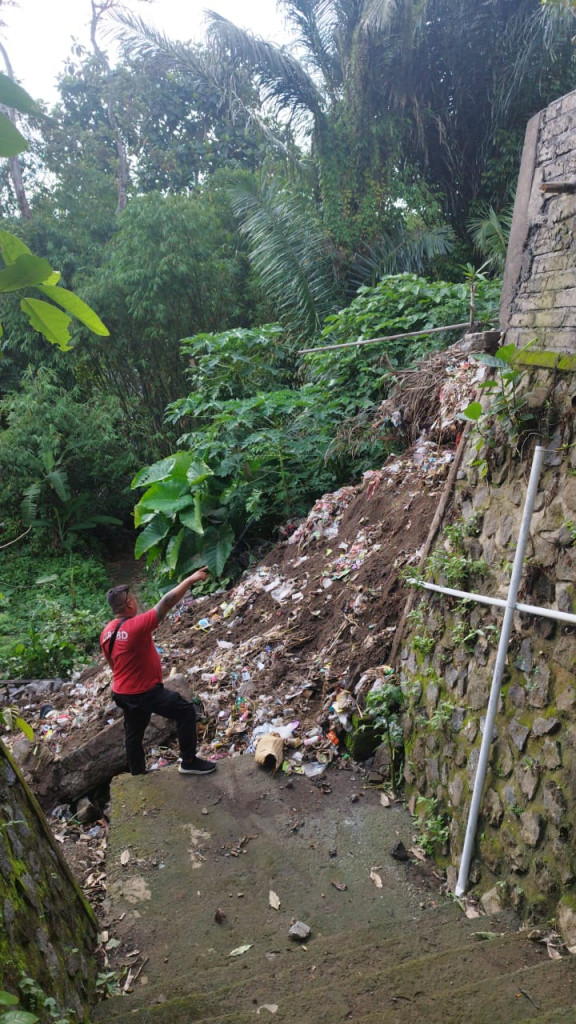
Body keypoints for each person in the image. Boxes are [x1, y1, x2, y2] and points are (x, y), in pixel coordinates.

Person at [100, 571, 216, 776]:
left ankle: (137, 773)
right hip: (144, 692)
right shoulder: (137, 625)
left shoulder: (106, 632)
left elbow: (114, 666)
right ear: (128, 603)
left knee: (134, 732)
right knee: (185, 710)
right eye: (134, 598)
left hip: (122, 693)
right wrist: (189, 579)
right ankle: (188, 761)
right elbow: (167, 602)